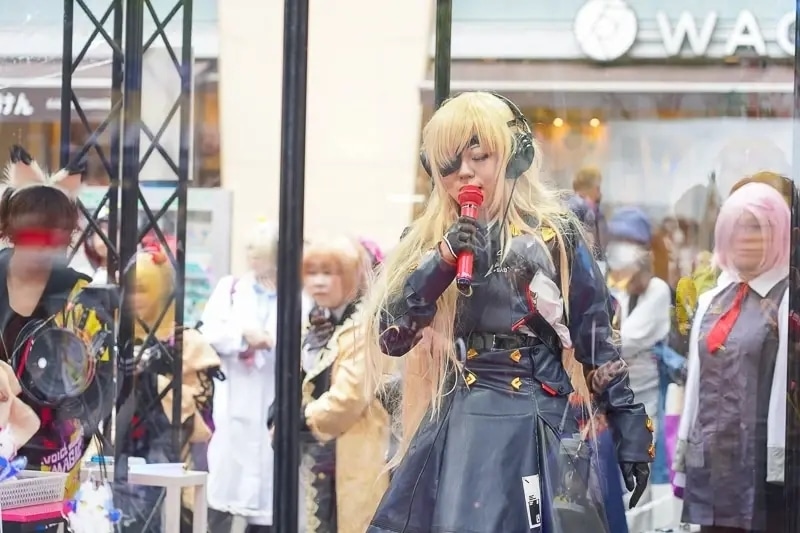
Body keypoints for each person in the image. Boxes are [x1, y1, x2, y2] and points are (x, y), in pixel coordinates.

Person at [363, 92, 652, 533]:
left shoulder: (554, 234)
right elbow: (391, 335)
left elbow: (595, 337)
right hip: (461, 420)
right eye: (449, 163)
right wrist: (441, 261)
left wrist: (628, 423)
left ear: (515, 157)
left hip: (537, 419)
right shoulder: (429, 240)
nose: (465, 172)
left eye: (479, 156)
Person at [0, 145, 115, 497]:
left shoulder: (80, 297)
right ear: (11, 229)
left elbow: (101, 385)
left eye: (56, 235)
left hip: (50, 452)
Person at [673, 182, 789, 533]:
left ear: (778, 233)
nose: (746, 238)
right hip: (712, 469)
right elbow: (695, 385)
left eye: (758, 227)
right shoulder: (712, 300)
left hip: (766, 475)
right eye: (738, 227)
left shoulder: (787, 299)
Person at [279, 236, 390, 533]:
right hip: (317, 454)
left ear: (352, 275)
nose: (318, 282)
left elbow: (350, 396)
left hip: (354, 448)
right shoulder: (317, 323)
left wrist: (300, 418)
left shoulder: (365, 325)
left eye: (329, 273)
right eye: (311, 273)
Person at [114, 246, 221, 533]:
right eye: (129, 290)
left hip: (171, 460)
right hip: (120, 458)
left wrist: (153, 375)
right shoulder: (116, 340)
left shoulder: (187, 343)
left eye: (142, 289)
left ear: (162, 291)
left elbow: (198, 412)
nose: (133, 298)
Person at [200, 221, 283, 533]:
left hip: (272, 391)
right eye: (250, 253)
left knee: (268, 489)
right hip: (235, 396)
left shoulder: (295, 294)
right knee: (225, 482)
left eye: (260, 254)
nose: (253, 260)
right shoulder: (231, 288)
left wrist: (271, 341)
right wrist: (243, 339)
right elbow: (209, 331)